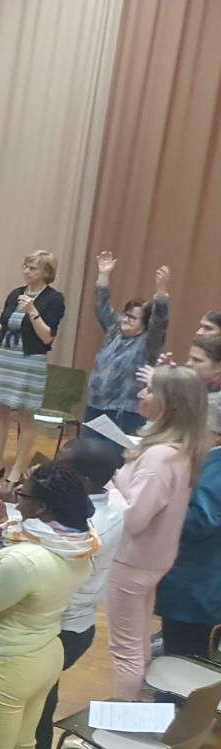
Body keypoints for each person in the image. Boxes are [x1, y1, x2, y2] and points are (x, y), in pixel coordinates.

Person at [0, 462, 97, 749]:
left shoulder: (25, 560)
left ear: (41, 507)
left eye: (22, 494)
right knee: (24, 744)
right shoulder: (80, 543)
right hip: (46, 651)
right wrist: (1, 537)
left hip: (6, 664)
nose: (16, 498)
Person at [104, 364, 208, 697]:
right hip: (152, 560)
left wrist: (108, 485)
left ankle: (123, 716)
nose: (140, 394)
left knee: (125, 651)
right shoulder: (179, 449)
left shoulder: (160, 457)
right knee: (137, 643)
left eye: (149, 390)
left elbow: (134, 518)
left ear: (169, 402)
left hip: (132, 561)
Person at [35, 438, 126, 749]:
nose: (51, 469)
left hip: (61, 629)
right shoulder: (113, 503)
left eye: (62, 467)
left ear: (84, 481)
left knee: (36, 706)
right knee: (40, 696)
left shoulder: (86, 528)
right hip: (74, 623)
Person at [0, 251, 67, 484]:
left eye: (33, 268)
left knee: (25, 415)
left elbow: (47, 337)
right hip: (6, 358)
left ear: (46, 272)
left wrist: (32, 311)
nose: (26, 271)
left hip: (30, 360)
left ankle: (18, 467)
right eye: (25, 266)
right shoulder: (16, 293)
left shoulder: (53, 299)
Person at [156, 392, 221, 657]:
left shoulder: (215, 469)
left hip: (195, 584)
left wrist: (160, 503)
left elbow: (199, 523)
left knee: (183, 657)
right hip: (198, 581)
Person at [84, 253, 171, 437]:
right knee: (87, 451)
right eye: (125, 314)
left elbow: (160, 320)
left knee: (114, 453)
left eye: (132, 318)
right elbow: (101, 306)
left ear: (145, 324)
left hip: (125, 413)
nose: (125, 319)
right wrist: (103, 274)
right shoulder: (115, 331)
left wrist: (161, 291)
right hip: (95, 406)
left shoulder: (149, 341)